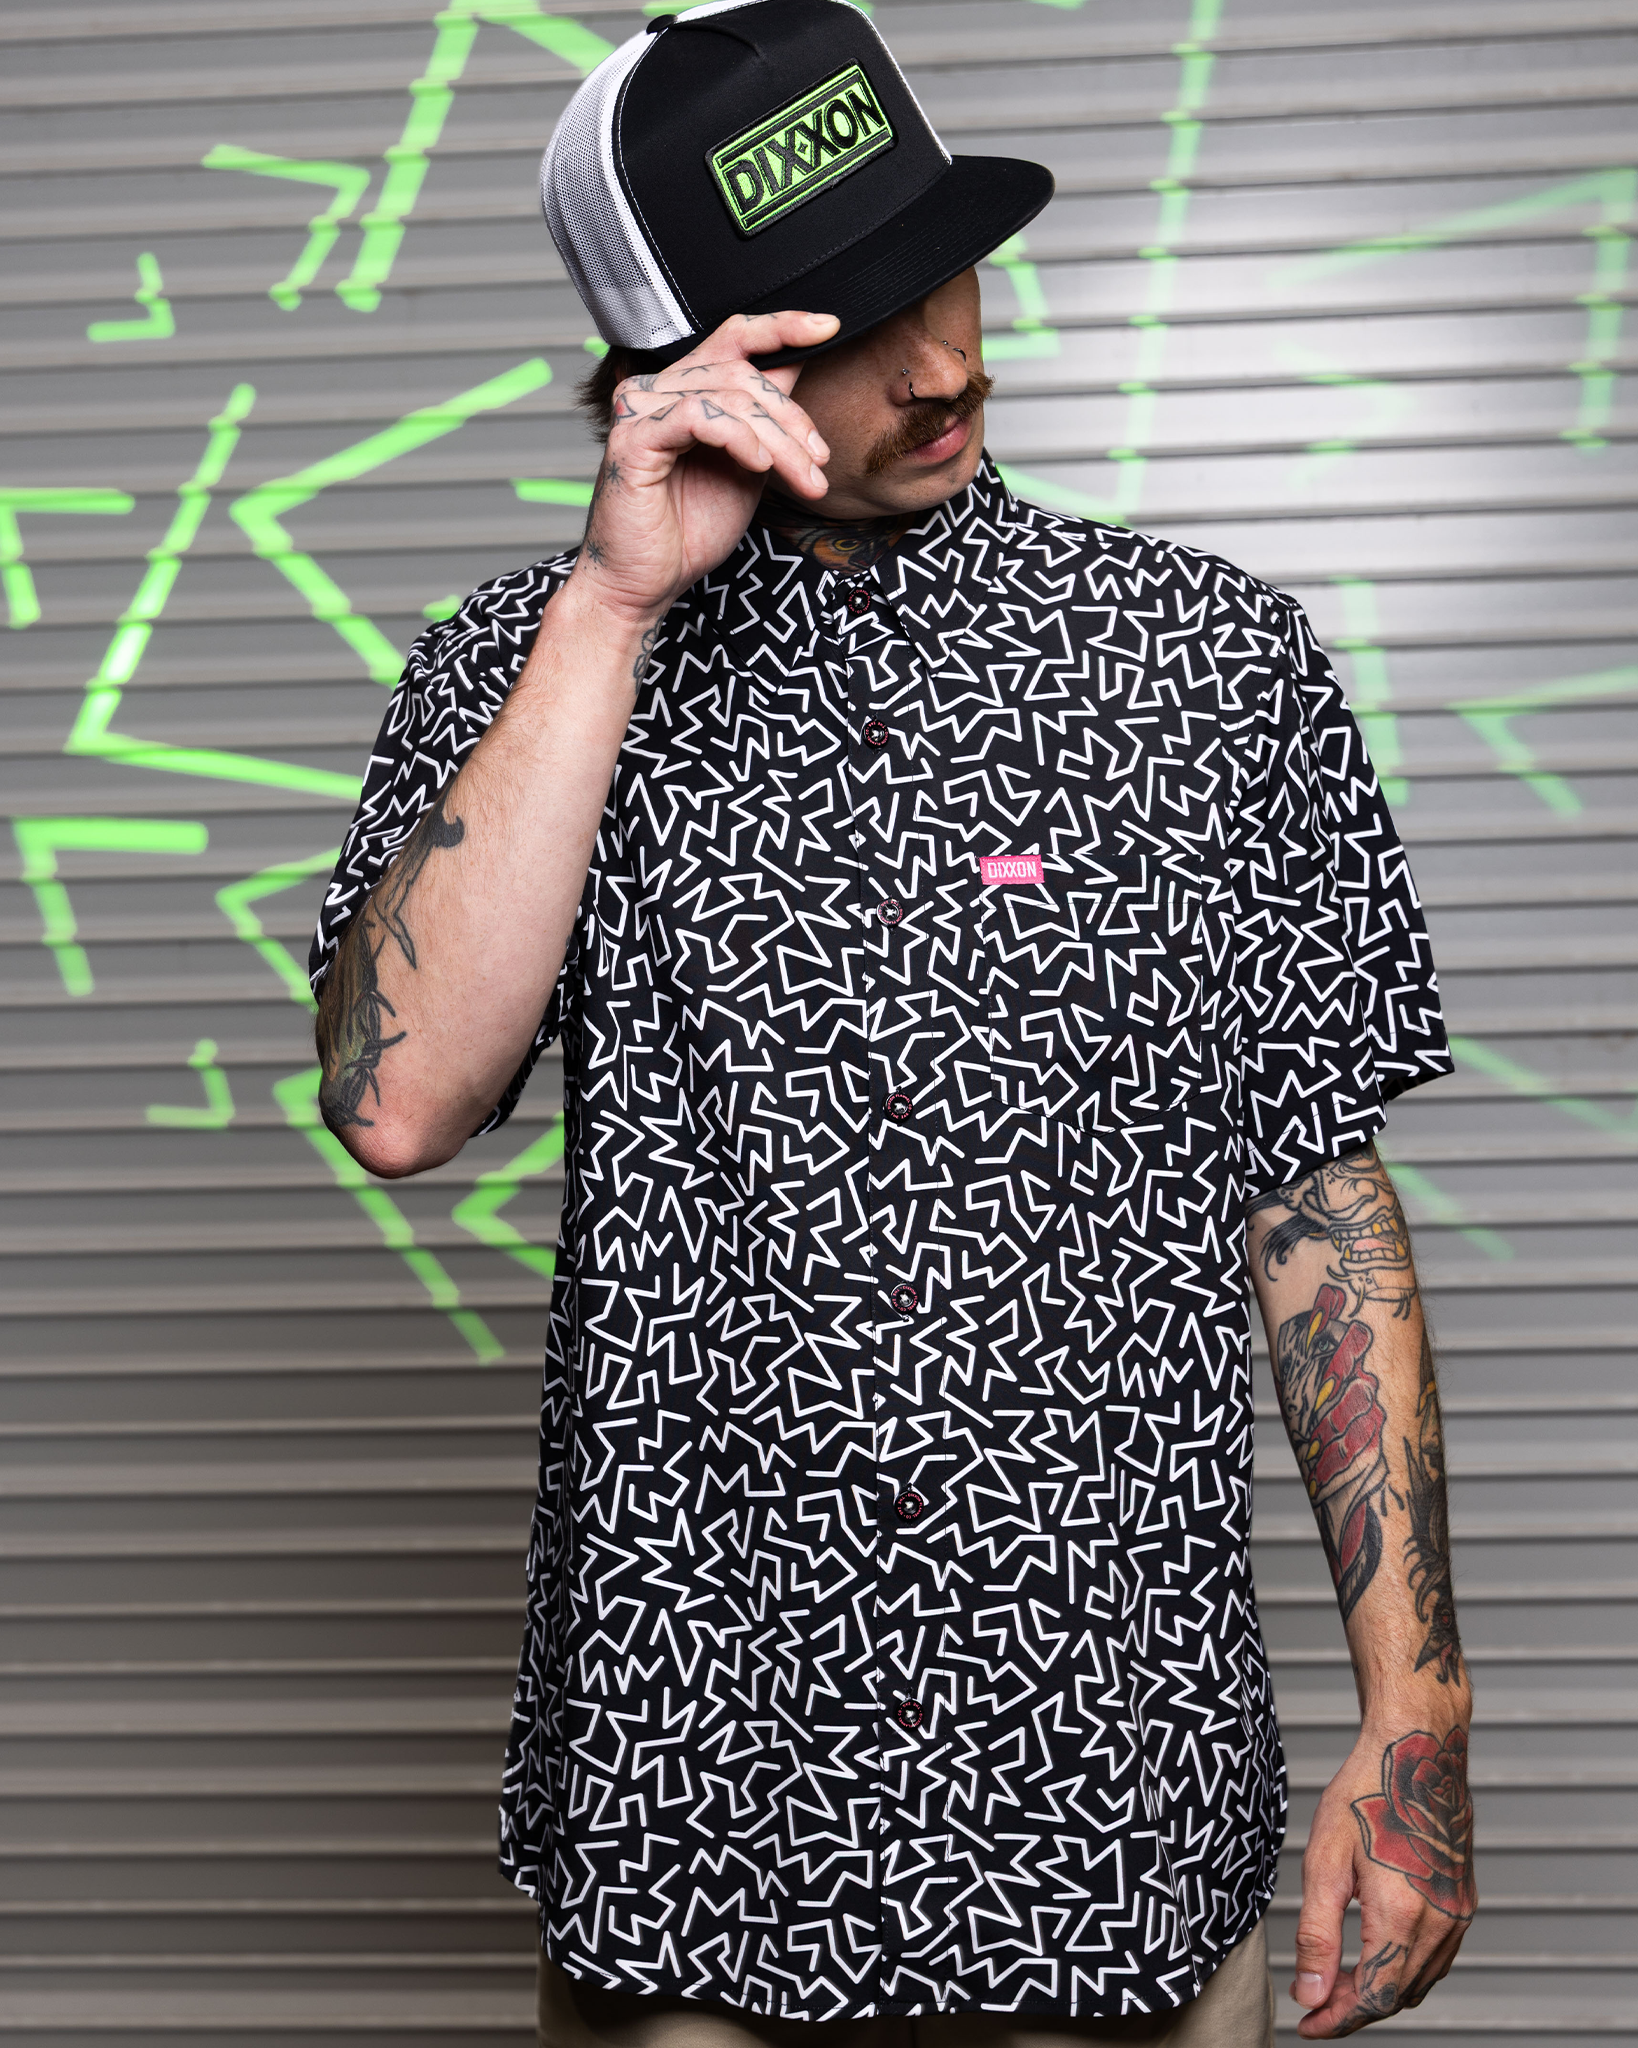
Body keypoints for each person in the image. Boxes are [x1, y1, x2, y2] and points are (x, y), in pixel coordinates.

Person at [308, 3, 1475, 2042]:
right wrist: (612, 606)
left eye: (942, 270)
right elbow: (396, 1100)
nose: (939, 363)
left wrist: (1417, 1717)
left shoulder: (1203, 663)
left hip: (1110, 1816)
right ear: (675, 370)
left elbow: (1313, 1204)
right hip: (690, 1823)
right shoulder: (529, 665)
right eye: (843, 326)